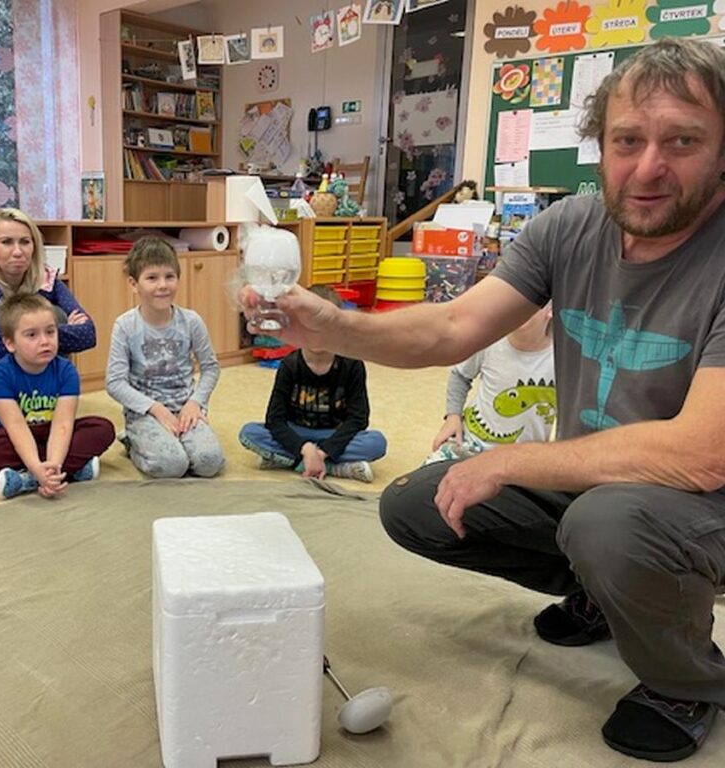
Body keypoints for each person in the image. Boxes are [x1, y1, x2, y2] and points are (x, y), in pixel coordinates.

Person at [242, 38, 725, 762]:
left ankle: (684, 680)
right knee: (418, 503)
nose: (648, 166)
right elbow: (452, 328)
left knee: (606, 524)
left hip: (700, 502)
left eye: (682, 141)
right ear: (601, 144)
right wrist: (332, 326)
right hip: (599, 487)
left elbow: (701, 453)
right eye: (628, 140)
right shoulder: (569, 227)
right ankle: (606, 595)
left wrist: (509, 461)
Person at [0, 207, 96, 424]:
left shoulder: (45, 278)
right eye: (7, 242)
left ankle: (47, 398)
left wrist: (30, 334)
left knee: (51, 314)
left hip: (42, 402)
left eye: (25, 242)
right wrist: (49, 333)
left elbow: (88, 334)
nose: (18, 251)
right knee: (27, 317)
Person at [0, 293, 115, 499]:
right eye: (32, 335)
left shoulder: (66, 370)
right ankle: (70, 471)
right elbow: (15, 426)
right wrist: (36, 466)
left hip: (55, 433)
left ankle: (28, 479)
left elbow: (63, 423)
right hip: (17, 437)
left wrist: (53, 465)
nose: (45, 341)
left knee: (102, 428)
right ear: (10, 343)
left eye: (50, 332)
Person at [239, 285, 387, 483]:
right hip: (297, 432)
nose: (317, 335)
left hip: (334, 434)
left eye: (325, 327)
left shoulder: (352, 365)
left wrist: (325, 451)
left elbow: (358, 419)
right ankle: (333, 466)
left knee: (376, 442)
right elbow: (275, 420)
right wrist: (305, 448)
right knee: (249, 433)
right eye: (309, 326)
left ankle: (294, 461)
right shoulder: (290, 365)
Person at [106, 237, 225, 478]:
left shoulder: (191, 321)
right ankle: (132, 441)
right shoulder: (125, 326)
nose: (163, 285)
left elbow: (211, 368)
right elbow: (114, 383)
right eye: (152, 278)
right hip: (145, 413)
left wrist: (195, 402)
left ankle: (174, 440)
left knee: (210, 463)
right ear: (134, 284)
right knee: (173, 466)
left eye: (169, 276)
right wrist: (156, 409)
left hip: (186, 407)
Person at [424, 303, 555, 465]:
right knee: (423, 477)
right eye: (517, 302)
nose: (520, 310)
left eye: (532, 302)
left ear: (550, 310)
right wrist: (453, 416)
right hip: (471, 444)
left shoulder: (562, 357)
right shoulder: (490, 341)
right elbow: (460, 375)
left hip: (523, 461)